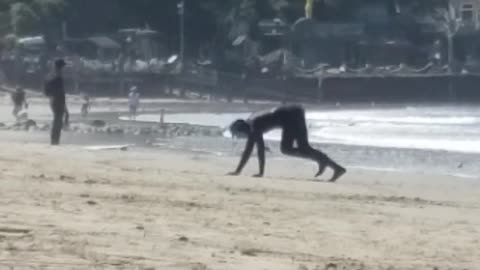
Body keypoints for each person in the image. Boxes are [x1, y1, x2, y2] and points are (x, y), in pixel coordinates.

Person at [227, 105, 346, 182]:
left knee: (287, 149)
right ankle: (332, 165)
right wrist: (244, 171)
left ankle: (327, 163)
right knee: (303, 147)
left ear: (243, 129)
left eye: (239, 135)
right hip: (295, 112)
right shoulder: (252, 123)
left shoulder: (254, 127)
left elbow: (258, 150)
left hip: (291, 117)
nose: (241, 137)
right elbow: (253, 149)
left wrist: (259, 172)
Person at [44, 58, 69, 145]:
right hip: (58, 100)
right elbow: (60, 91)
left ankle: (54, 140)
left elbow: (46, 92)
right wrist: (64, 105)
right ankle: (55, 141)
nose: (64, 69)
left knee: (57, 120)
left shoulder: (50, 76)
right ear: (61, 67)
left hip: (53, 100)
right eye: (63, 67)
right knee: (58, 121)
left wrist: (51, 97)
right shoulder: (58, 77)